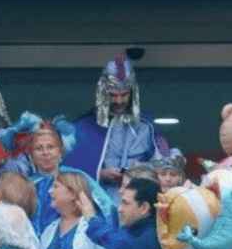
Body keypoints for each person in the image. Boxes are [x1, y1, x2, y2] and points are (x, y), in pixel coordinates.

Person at [68, 55, 171, 187]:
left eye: (124, 94)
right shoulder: (83, 127)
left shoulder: (147, 126)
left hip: (139, 198)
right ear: (103, 93)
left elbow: (164, 164)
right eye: (113, 95)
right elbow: (70, 171)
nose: (119, 101)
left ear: (132, 93)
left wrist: (141, 173)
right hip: (99, 198)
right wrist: (99, 173)